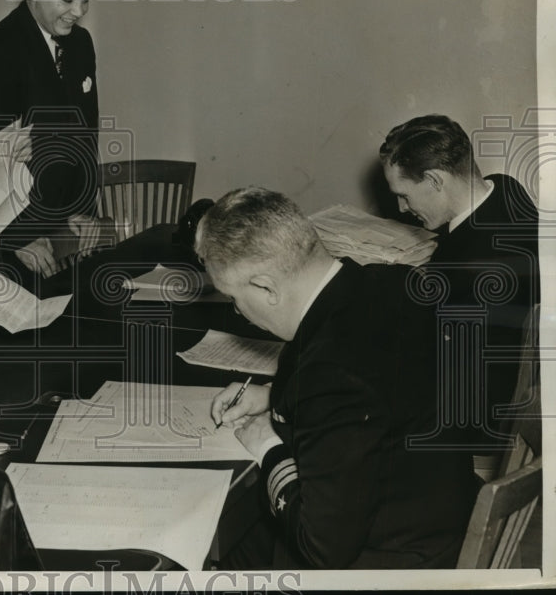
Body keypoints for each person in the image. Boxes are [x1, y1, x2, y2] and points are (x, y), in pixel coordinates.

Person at [198, 187, 478, 569]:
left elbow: (322, 551)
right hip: (435, 512)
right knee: (229, 550)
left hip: (392, 564)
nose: (239, 312)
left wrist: (267, 446)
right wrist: (271, 395)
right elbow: (378, 384)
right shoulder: (394, 282)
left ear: (265, 286)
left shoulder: (329, 375)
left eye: (234, 298)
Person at [380, 114, 539, 447]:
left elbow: (436, 376)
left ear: (436, 180)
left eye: (405, 195)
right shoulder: (505, 188)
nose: (401, 208)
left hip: (480, 422)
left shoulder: (469, 273)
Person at [0, 0, 105, 276]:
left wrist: (84, 210)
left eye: (85, 0)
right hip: (20, 243)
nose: (78, 12)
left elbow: (87, 133)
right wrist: (17, 239)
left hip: (69, 227)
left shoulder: (81, 44)